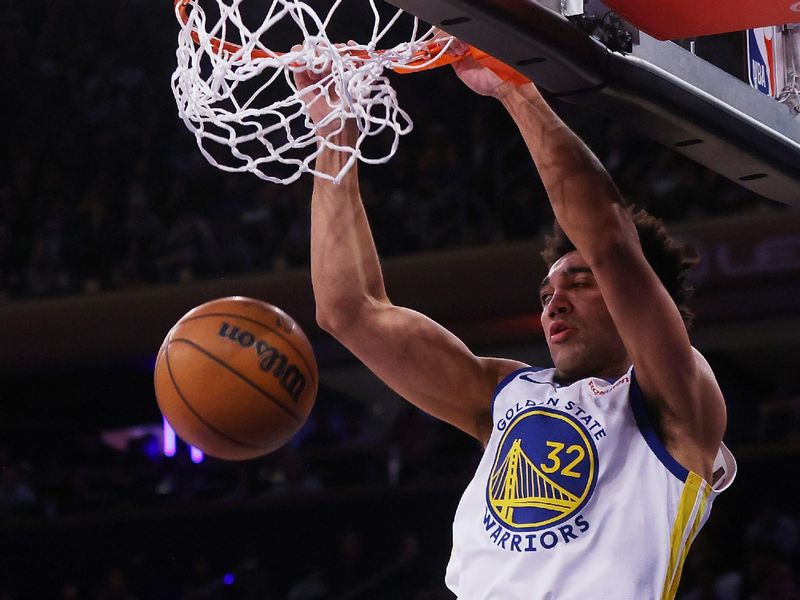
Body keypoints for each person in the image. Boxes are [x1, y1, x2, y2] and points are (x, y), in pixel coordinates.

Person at [294, 44, 736, 599]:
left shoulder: (677, 400)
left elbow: (609, 240)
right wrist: (334, 138)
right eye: (547, 290)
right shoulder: (505, 392)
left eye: (578, 281)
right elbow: (348, 310)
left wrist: (514, 88)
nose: (554, 301)